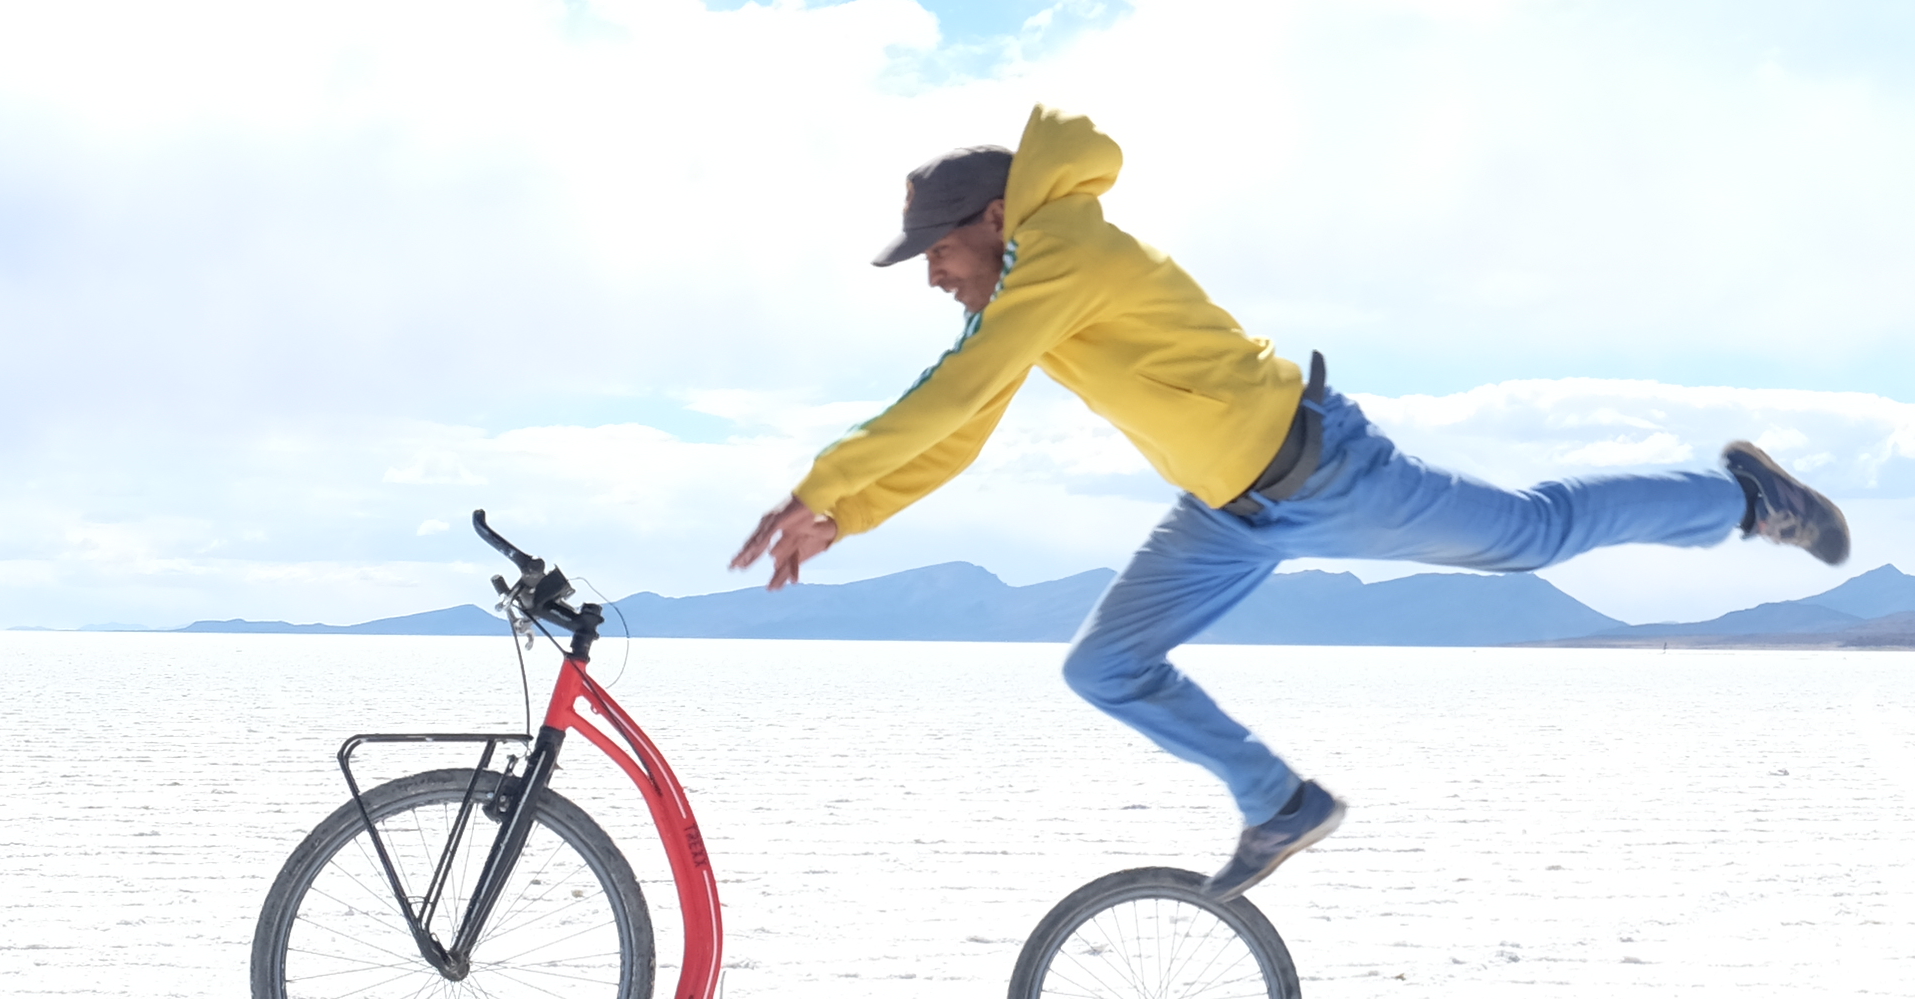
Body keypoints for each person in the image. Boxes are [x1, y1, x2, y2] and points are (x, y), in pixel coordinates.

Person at [731, 106, 1853, 893]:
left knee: (1535, 535)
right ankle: (1281, 805)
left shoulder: (1062, 251)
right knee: (1103, 667)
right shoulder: (1020, 291)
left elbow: (958, 392)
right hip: (1228, 512)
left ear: (989, 220)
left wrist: (820, 485)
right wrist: (852, 514)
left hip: (1324, 471)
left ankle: (1741, 499)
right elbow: (965, 417)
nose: (930, 271)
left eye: (935, 249)